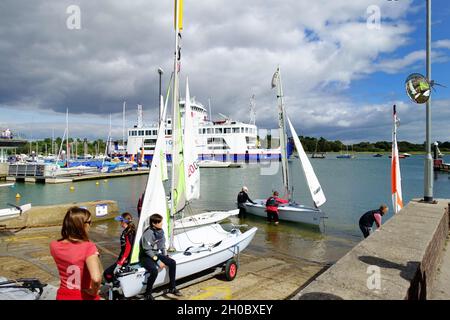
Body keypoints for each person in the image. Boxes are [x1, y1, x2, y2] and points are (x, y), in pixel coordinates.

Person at [50, 207, 103, 300]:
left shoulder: (54, 246)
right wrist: (93, 292)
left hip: (63, 295)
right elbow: (96, 278)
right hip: (83, 296)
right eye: (89, 222)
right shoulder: (89, 247)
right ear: (81, 225)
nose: (91, 225)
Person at [140, 213, 181, 300]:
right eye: (160, 222)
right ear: (154, 224)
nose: (162, 223)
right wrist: (158, 262)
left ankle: (172, 287)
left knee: (172, 263)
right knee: (154, 271)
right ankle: (147, 294)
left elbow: (162, 246)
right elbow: (147, 251)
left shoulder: (160, 232)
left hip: (155, 254)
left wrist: (165, 255)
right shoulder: (148, 234)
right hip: (146, 256)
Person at [103, 212, 136, 283]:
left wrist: (121, 262)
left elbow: (128, 249)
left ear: (124, 222)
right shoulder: (130, 230)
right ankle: (116, 285)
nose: (120, 223)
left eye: (121, 221)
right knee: (112, 273)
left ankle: (115, 287)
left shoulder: (129, 233)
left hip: (125, 259)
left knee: (107, 273)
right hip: (124, 257)